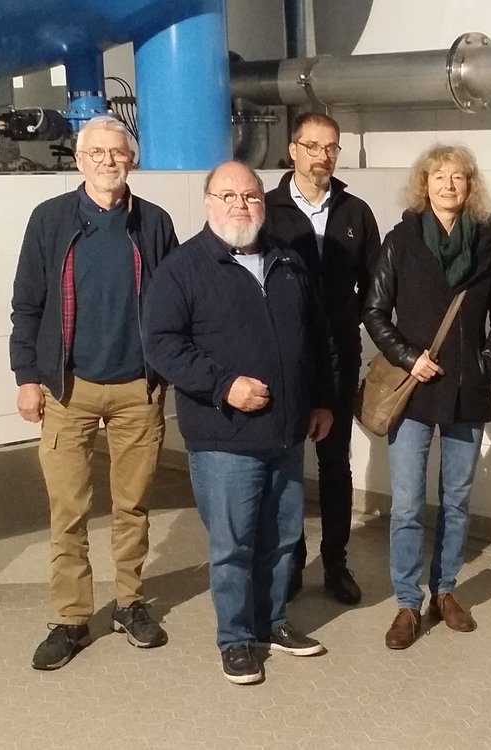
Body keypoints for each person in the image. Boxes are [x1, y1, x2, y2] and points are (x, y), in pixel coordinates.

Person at [142, 160, 335, 685]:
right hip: (224, 436)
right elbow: (162, 345)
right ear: (208, 203)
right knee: (232, 545)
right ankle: (236, 639)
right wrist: (224, 385)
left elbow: (316, 339)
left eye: (250, 196)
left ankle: (272, 622)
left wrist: (321, 400)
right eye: (227, 196)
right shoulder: (183, 268)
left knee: (283, 537)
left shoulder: (288, 262)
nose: (240, 205)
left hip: (286, 432)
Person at [10, 115, 177, 671]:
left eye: (118, 152)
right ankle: (72, 618)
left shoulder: (154, 222)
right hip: (67, 390)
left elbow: (174, 302)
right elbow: (27, 305)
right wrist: (27, 377)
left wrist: (172, 368)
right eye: (97, 153)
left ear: (132, 160)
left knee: (133, 507)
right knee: (69, 511)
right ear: (79, 160)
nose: (109, 161)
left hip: (137, 390)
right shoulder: (50, 219)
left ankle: (130, 603)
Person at [364, 144, 491, 650]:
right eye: (439, 176)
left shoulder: (489, 243)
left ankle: (445, 591)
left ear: (471, 186)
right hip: (415, 390)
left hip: (467, 390)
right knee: (407, 505)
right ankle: (407, 603)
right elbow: (374, 311)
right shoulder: (401, 240)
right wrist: (408, 358)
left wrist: (486, 362)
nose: (449, 185)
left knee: (457, 500)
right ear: (423, 184)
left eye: (458, 177)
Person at [263, 112, 381, 606]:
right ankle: (290, 562)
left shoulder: (356, 213)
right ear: (293, 150)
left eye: (330, 147)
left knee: (335, 464)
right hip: (284, 357)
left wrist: (352, 325)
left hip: (337, 357)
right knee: (286, 463)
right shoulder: (265, 209)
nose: (322, 156)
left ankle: (336, 563)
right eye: (312, 146)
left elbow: (376, 287)